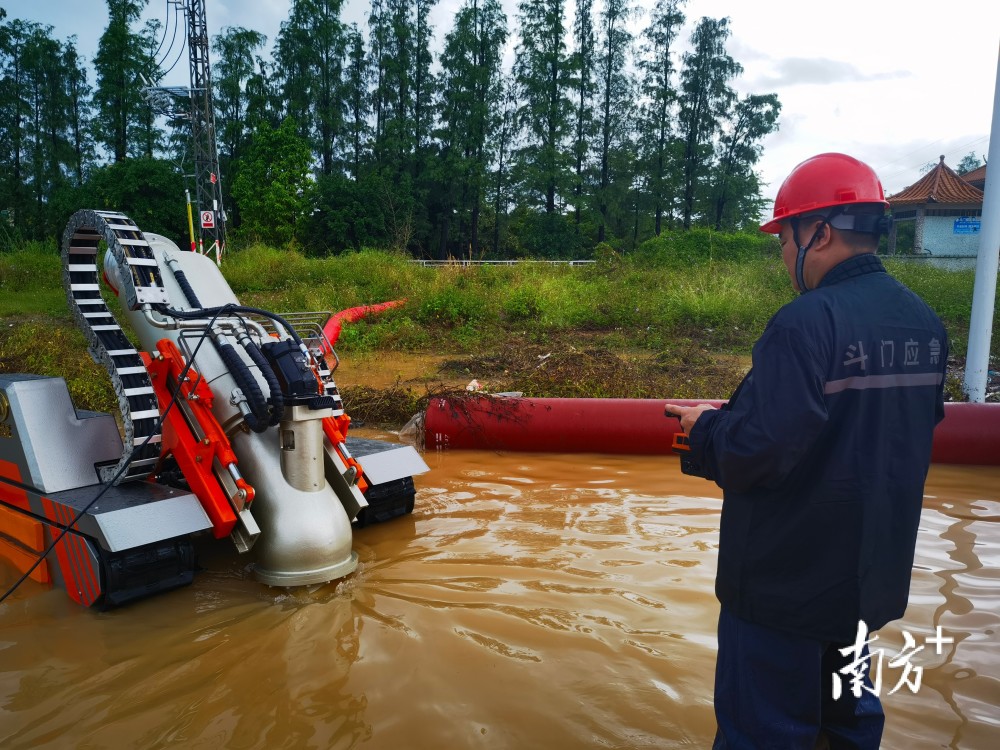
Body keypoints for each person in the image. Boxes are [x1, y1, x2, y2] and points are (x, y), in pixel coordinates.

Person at [665, 153, 948, 749]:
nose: (783, 255)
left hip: (783, 591)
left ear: (816, 231)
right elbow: (903, 431)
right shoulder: (924, 323)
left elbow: (756, 453)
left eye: (784, 238)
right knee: (847, 721)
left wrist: (705, 430)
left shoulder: (806, 323)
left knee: (764, 731)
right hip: (866, 582)